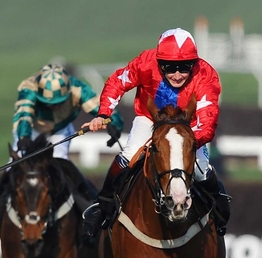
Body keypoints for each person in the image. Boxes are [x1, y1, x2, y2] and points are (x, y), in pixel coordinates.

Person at [81, 27, 229, 239]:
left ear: (194, 64)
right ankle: (103, 204)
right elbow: (117, 82)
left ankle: (219, 207)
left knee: (201, 169)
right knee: (129, 155)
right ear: (159, 63)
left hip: (188, 126)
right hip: (150, 120)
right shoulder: (145, 62)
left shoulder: (206, 75)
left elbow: (207, 121)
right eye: (169, 67)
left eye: (185, 67)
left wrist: (179, 145)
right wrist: (104, 113)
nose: (177, 74)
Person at [0, 63, 124, 236]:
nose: (54, 107)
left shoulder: (77, 88)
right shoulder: (29, 88)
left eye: (59, 102)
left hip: (59, 130)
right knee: (14, 165)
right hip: (31, 129)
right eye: (48, 103)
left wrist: (114, 124)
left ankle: (90, 200)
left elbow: (103, 110)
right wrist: (24, 137)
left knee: (61, 163)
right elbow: (24, 115)